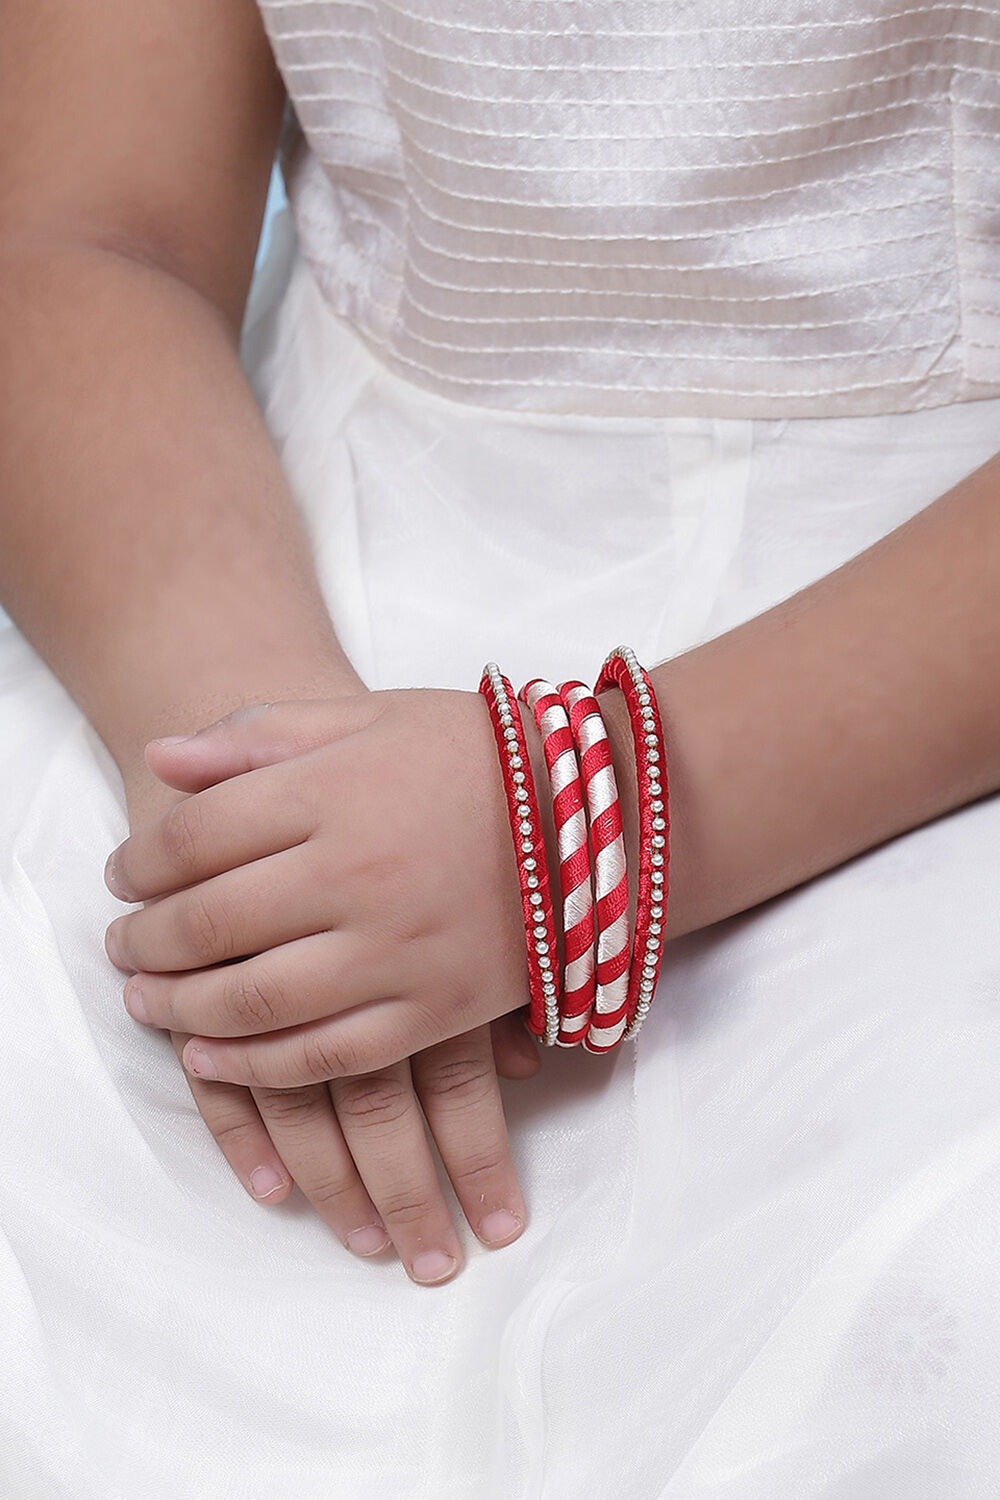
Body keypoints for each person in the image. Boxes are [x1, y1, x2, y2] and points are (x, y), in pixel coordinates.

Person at [2, 0, 999, 1493]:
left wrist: (575, 813)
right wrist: (267, 809)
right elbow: (78, 229)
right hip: (225, 562)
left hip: (925, 666)